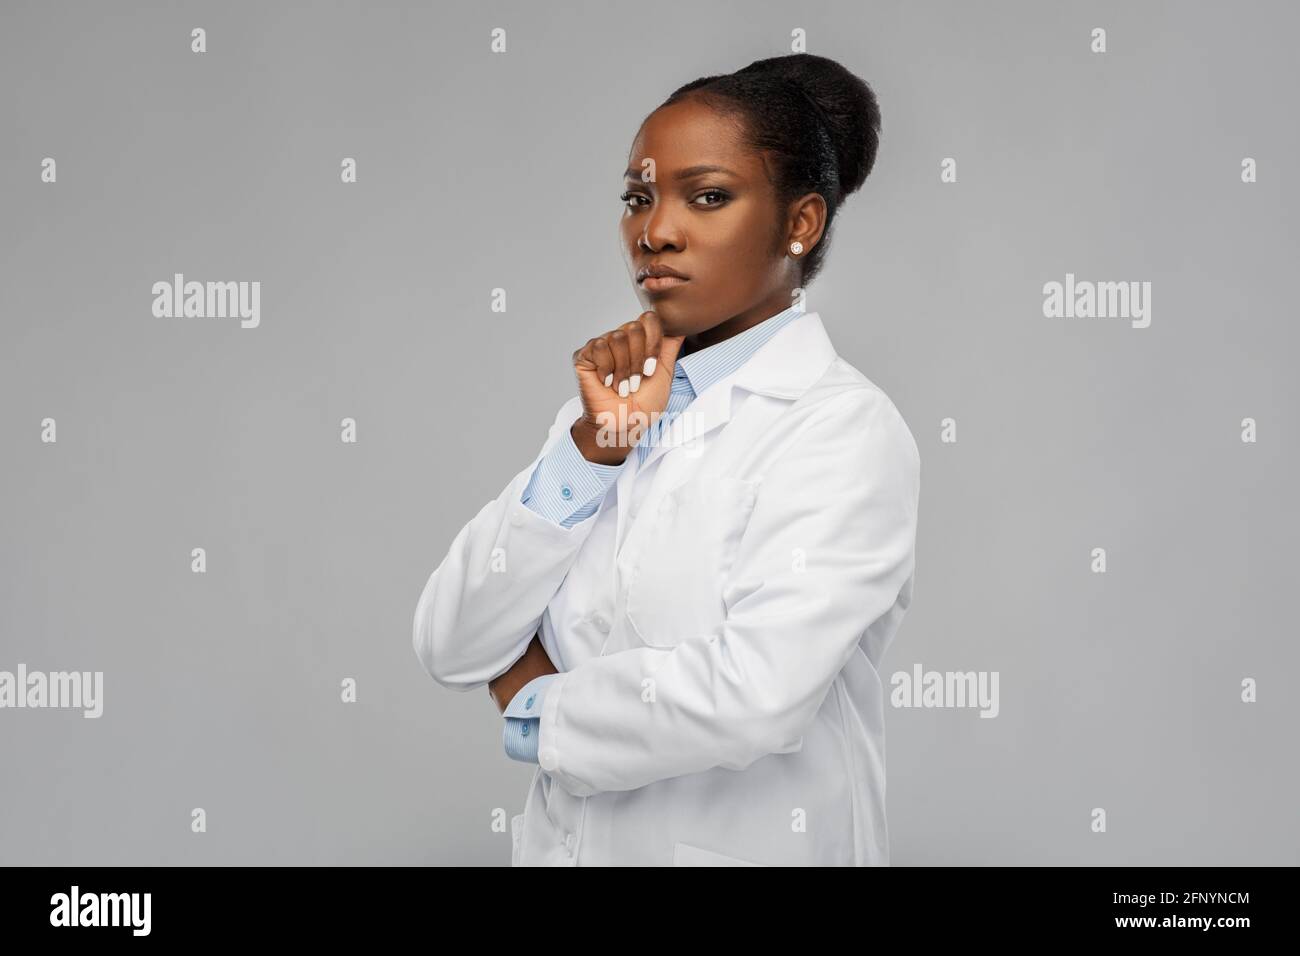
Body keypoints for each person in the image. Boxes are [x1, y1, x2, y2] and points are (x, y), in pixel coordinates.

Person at [413, 52, 920, 866]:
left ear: (802, 224)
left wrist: (538, 707)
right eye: (637, 198)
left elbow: (754, 695)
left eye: (708, 196)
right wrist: (593, 451)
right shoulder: (607, 419)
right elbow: (452, 638)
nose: (654, 231)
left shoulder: (840, 428)